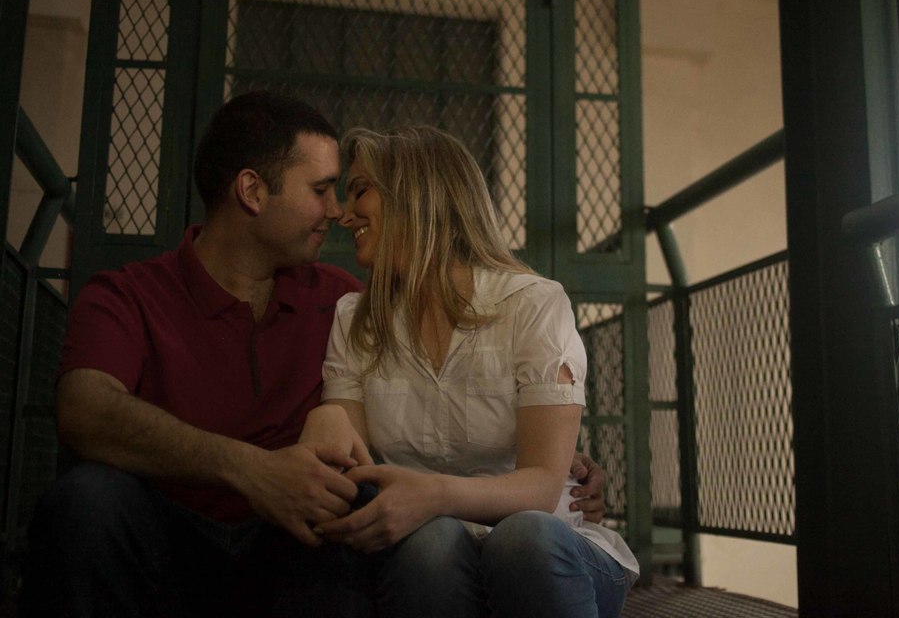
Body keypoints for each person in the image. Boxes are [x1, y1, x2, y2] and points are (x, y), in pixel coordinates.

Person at [21, 92, 607, 617]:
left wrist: (552, 449)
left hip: (295, 544)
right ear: (252, 191)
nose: (337, 211)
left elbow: (453, 392)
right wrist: (250, 469)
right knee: (87, 499)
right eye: (322, 190)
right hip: (168, 533)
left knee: (363, 523)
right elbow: (83, 408)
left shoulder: (343, 300)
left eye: (347, 191)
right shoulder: (129, 294)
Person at [298, 125, 638, 618]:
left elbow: (542, 489)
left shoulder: (534, 304)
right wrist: (324, 424)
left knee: (524, 537)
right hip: (433, 555)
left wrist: (434, 494)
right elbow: (356, 469)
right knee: (430, 544)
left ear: (416, 195)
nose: (345, 214)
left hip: (545, 550)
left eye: (361, 190)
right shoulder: (355, 318)